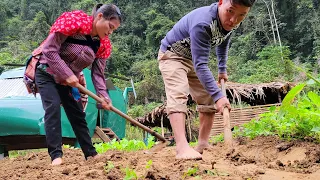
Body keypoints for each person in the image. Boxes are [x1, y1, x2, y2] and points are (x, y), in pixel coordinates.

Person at [158, 0, 255, 160]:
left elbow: (224, 41)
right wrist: (219, 97)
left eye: (241, 15)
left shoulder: (233, 22)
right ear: (221, 2)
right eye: (230, 11)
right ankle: (182, 147)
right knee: (178, 93)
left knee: (207, 95)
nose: (233, 20)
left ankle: (202, 143)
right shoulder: (203, 23)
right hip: (172, 55)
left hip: (192, 58)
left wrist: (222, 69)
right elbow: (201, 64)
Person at [34, 4, 122, 165]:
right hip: (47, 71)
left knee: (77, 114)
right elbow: (49, 49)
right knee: (52, 108)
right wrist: (67, 74)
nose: (110, 32)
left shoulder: (103, 44)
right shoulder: (74, 22)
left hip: (68, 81)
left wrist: (103, 96)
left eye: (114, 30)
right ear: (100, 17)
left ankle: (90, 153)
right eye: (110, 26)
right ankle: (56, 155)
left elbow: (98, 74)